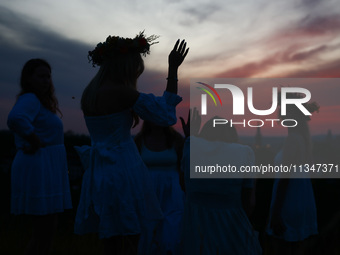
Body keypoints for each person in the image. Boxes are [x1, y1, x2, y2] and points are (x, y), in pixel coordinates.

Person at [73, 32, 189, 255]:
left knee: (111, 240)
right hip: (124, 171)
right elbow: (165, 115)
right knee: (131, 239)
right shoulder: (121, 92)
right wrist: (173, 69)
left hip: (100, 171)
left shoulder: (90, 93)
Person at [7, 58, 72, 255]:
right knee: (44, 231)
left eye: (48, 76)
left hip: (46, 167)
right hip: (40, 167)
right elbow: (15, 118)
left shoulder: (38, 102)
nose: (46, 81)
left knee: (46, 230)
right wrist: (33, 139)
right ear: (29, 78)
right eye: (41, 76)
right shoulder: (30, 99)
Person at [180, 109, 262, 254]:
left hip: (197, 232)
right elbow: (249, 204)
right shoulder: (245, 153)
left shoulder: (190, 147)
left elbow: (184, 185)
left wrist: (191, 137)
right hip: (233, 231)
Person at [266, 93, 319, 255]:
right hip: (300, 200)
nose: (279, 112)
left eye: (282, 109)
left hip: (289, 203)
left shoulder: (292, 140)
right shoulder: (302, 139)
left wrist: (275, 212)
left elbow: (285, 178)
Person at [134, 120, 185, 254]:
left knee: (172, 229)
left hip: (172, 193)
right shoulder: (139, 140)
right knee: (147, 229)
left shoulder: (176, 140)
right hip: (147, 191)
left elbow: (183, 167)